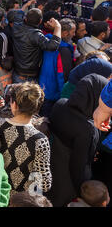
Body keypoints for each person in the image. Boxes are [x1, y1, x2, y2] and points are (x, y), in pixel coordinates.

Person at [49, 74, 108, 207]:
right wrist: (84, 191)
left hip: (50, 167)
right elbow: (79, 165)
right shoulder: (87, 129)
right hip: (66, 182)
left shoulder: (60, 103)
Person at [0, 82, 51, 194]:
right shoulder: (40, 140)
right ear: (36, 108)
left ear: (14, 105)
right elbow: (44, 183)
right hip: (22, 198)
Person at [39, 18, 76, 116]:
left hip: (42, 85)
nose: (74, 35)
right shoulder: (64, 50)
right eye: (73, 32)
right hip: (54, 92)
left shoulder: (45, 41)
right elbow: (64, 74)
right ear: (64, 33)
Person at [12, 8, 61, 83]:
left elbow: (19, 13)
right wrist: (58, 27)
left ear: (25, 18)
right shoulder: (36, 35)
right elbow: (53, 46)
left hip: (17, 72)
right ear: (40, 21)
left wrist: (29, 4)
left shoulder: (16, 26)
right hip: (30, 76)